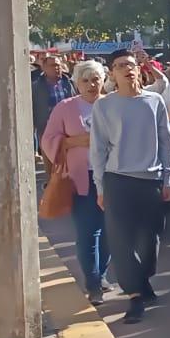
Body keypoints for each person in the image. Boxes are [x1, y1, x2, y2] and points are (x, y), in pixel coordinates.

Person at [89, 49, 170, 325]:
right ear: (112, 74)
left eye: (130, 64)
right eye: (119, 66)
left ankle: (143, 278)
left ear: (139, 69)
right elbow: (98, 149)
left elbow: (166, 141)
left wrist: (167, 178)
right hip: (118, 180)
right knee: (121, 241)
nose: (127, 69)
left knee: (151, 241)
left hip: (150, 179)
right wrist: (100, 187)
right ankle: (136, 296)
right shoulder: (104, 106)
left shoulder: (154, 101)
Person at [41, 59, 111, 304]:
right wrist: (73, 141)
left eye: (96, 79)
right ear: (76, 82)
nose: (91, 85)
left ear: (104, 81)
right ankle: (93, 285)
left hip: (112, 178)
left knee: (109, 231)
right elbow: (48, 139)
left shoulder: (112, 104)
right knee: (87, 231)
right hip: (82, 179)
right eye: (85, 80)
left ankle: (101, 274)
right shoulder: (65, 107)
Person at [31, 53, 76, 149]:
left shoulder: (70, 83)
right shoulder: (36, 87)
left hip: (68, 127)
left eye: (58, 65)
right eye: (53, 65)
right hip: (46, 127)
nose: (57, 68)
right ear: (44, 68)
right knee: (50, 156)